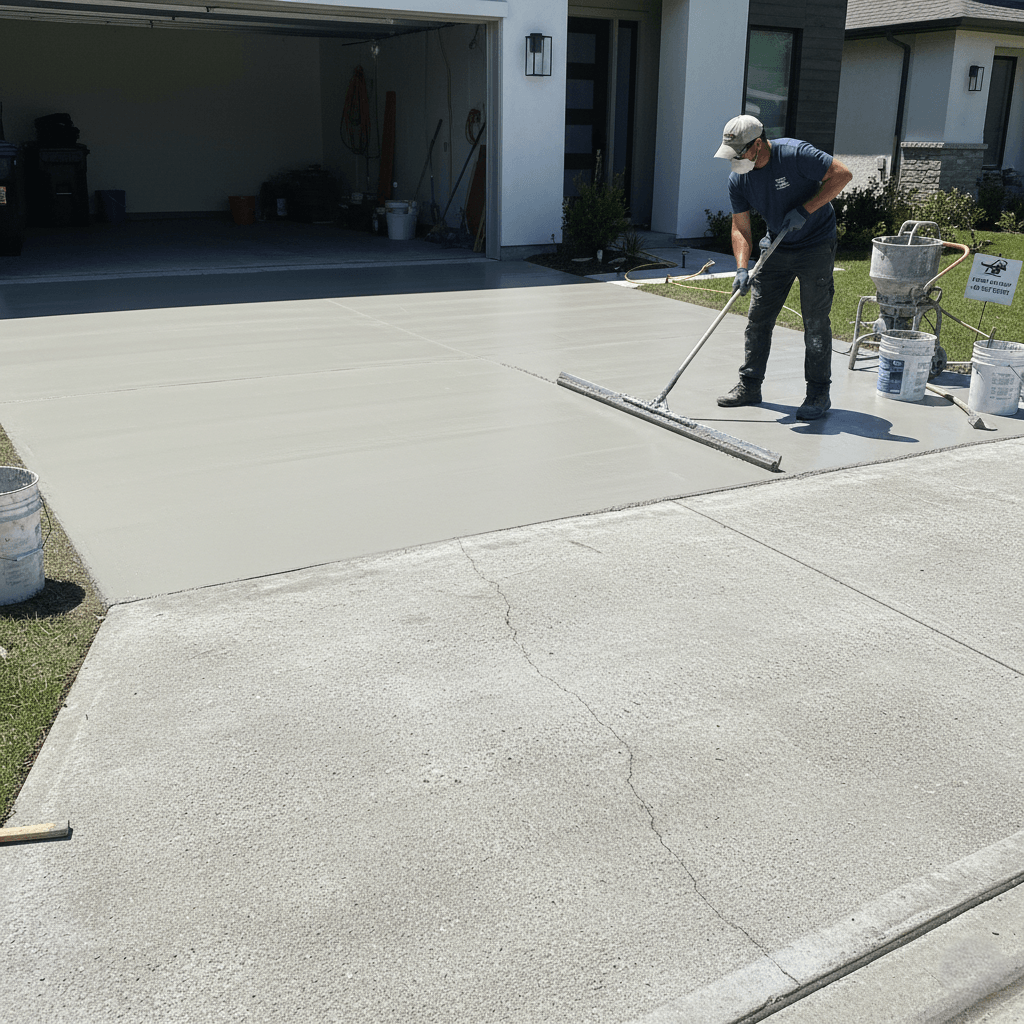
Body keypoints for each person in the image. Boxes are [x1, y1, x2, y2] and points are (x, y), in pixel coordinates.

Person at [712, 115, 853, 420]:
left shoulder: (795, 154)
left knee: (815, 322)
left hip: (815, 244)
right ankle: (750, 385)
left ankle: (818, 394)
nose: (735, 160)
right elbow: (740, 227)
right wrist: (741, 268)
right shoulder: (740, 178)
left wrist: (806, 209)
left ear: (758, 144)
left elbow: (842, 175)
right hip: (775, 244)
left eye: (740, 152)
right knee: (758, 319)